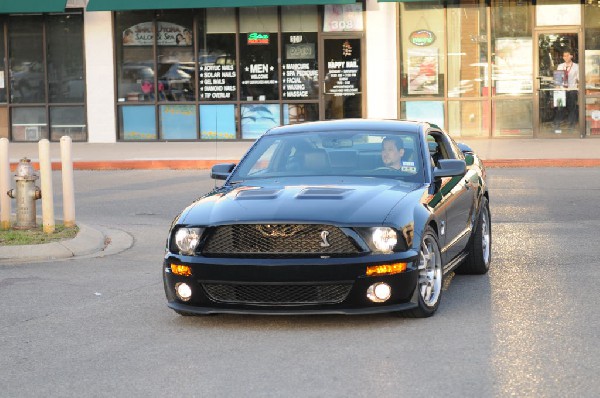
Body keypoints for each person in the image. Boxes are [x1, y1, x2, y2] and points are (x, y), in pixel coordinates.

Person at [553, 49, 579, 134]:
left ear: (571, 56)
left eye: (567, 55)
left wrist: (578, 88)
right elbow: (557, 80)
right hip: (561, 90)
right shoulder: (560, 66)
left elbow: (579, 79)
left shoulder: (576, 66)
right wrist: (557, 89)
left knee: (572, 108)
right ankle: (557, 126)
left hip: (572, 90)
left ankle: (571, 126)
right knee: (560, 108)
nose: (565, 57)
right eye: (564, 56)